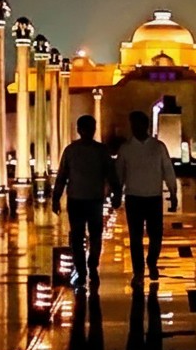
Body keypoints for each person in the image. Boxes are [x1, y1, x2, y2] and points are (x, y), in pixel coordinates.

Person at [53, 115, 120, 287]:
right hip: (93, 199)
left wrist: (56, 197)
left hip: (78, 199)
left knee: (78, 237)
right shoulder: (101, 151)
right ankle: (91, 265)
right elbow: (111, 174)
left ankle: (83, 269)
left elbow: (62, 176)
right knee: (93, 235)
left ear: (78, 130)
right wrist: (116, 193)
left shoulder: (71, 150)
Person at [116, 111, 178, 283]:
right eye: (133, 124)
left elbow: (168, 170)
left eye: (138, 124)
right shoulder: (126, 148)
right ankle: (138, 271)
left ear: (146, 125)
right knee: (135, 237)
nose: (135, 128)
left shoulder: (158, 147)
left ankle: (152, 261)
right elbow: (119, 173)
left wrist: (173, 192)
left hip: (153, 197)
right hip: (133, 197)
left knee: (156, 235)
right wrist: (116, 193)